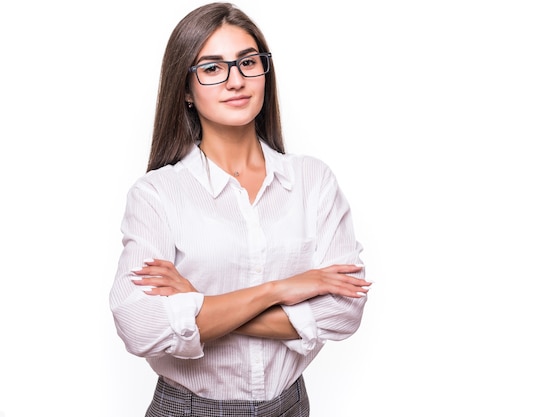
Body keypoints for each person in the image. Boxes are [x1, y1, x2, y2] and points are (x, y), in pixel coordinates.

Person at [109, 2, 370, 416]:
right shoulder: (157, 194)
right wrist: (279, 289)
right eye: (212, 68)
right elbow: (140, 326)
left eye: (248, 62)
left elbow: (344, 310)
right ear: (185, 90)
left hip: (289, 406)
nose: (235, 81)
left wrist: (198, 300)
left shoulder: (312, 182)